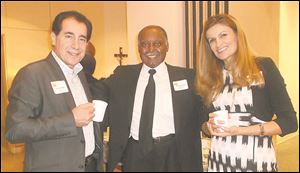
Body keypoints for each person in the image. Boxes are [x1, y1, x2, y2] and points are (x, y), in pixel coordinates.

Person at [91, 25, 204, 172]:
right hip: (135, 153)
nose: (150, 49)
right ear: (138, 48)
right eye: (144, 44)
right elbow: (99, 88)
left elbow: (203, 107)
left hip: (173, 153)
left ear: (167, 46)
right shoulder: (123, 75)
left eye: (157, 43)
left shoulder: (187, 77)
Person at [195, 14, 298, 172]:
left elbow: (289, 122)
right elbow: (203, 123)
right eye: (212, 40)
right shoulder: (211, 78)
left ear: (237, 35)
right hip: (219, 161)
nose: (218, 44)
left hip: (255, 162)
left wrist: (240, 130)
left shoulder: (263, 67)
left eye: (223, 35)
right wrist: (208, 127)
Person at [5, 11, 105, 172]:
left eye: (82, 39)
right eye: (68, 36)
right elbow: (15, 130)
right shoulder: (33, 74)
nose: (76, 45)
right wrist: (70, 120)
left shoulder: (80, 74)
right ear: (53, 38)